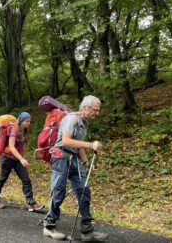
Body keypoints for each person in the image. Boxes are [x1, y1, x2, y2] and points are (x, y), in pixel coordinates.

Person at [42, 95, 108, 241]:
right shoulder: (72, 119)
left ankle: (87, 231)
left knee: (84, 190)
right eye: (95, 110)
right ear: (85, 108)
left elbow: (77, 145)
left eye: (98, 111)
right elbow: (66, 141)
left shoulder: (84, 123)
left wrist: (85, 163)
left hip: (73, 160)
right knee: (58, 191)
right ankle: (49, 226)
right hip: (60, 157)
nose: (97, 113)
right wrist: (91, 145)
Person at [0, 112, 44, 212]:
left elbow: (20, 146)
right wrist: (22, 159)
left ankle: (31, 203)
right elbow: (11, 146)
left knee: (26, 179)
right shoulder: (14, 129)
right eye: (27, 121)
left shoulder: (24, 130)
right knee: (2, 179)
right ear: (21, 120)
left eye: (29, 121)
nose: (29, 123)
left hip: (16, 158)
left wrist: (21, 158)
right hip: (7, 158)